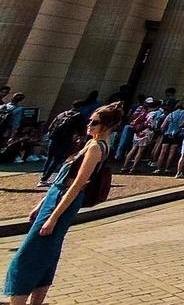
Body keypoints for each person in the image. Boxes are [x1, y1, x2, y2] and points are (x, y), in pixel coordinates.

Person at [5, 103, 122, 304]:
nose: (89, 124)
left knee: (29, 255)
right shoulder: (92, 143)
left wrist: (53, 217)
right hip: (55, 196)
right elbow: (63, 179)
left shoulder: (95, 147)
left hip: (62, 200)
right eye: (90, 121)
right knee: (47, 253)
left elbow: (77, 186)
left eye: (94, 122)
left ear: (107, 126)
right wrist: (42, 203)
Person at [38, 106, 86, 188]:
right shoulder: (78, 116)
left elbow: (51, 126)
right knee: (57, 159)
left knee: (49, 158)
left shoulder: (63, 114)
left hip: (54, 138)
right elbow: (82, 130)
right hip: (65, 140)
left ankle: (43, 177)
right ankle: (45, 178)